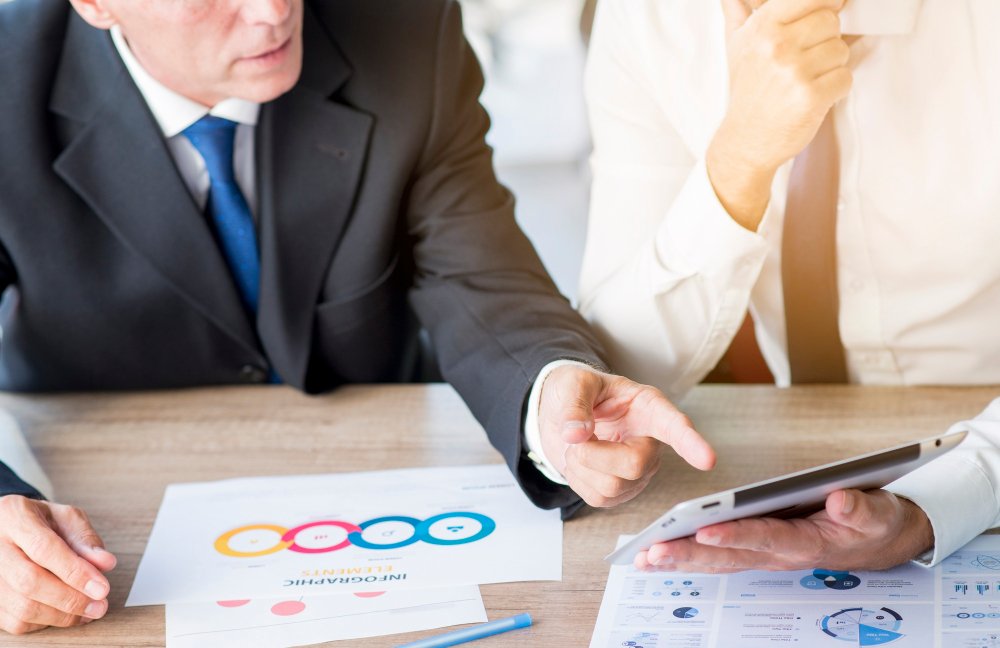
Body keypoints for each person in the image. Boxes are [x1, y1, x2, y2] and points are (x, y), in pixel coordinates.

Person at [0, 0, 719, 635]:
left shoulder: (405, 25)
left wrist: (550, 407)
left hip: (377, 489)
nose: (272, 11)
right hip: (107, 503)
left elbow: (478, 275)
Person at [579, 0, 1000, 574]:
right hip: (783, 462)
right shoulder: (651, 17)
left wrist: (934, 505)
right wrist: (739, 158)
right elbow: (618, 379)